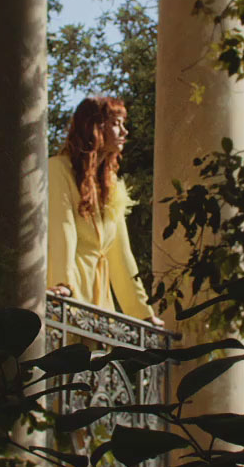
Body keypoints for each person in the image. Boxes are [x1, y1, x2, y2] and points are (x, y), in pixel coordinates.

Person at [47, 96, 163, 327]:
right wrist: (63, 283)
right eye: (116, 123)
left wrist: (143, 313)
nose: (125, 131)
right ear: (96, 127)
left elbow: (121, 255)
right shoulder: (57, 169)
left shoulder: (111, 186)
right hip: (68, 293)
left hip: (100, 304)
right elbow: (62, 230)